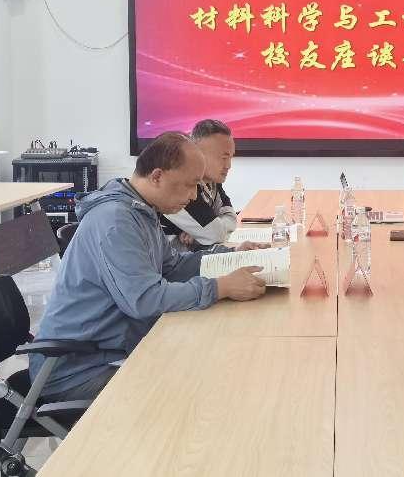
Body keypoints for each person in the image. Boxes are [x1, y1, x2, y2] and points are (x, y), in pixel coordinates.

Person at [29, 132, 267, 401]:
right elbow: (145, 299)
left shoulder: (141, 209)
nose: (193, 196)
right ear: (157, 176)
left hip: (108, 348)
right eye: (189, 185)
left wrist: (230, 256)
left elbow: (172, 267)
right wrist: (220, 287)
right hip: (76, 369)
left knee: (207, 364)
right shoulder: (116, 220)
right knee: (195, 387)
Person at [162, 119, 238, 247]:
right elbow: (216, 234)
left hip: (191, 255)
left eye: (230, 157)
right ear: (197, 153)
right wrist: (207, 231)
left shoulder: (212, 181)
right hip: (171, 258)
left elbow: (231, 217)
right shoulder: (182, 186)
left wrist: (200, 233)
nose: (228, 165)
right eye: (223, 158)